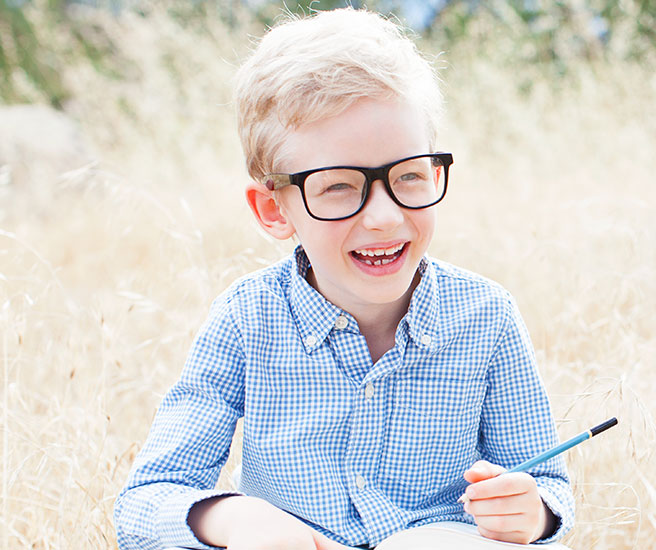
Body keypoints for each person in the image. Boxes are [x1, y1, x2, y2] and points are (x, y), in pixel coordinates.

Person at [113, 8, 573, 549]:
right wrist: (231, 519)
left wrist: (532, 512)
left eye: (408, 175)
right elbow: (146, 502)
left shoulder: (485, 316)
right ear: (273, 210)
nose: (383, 216)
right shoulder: (246, 320)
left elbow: (548, 487)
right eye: (337, 187)